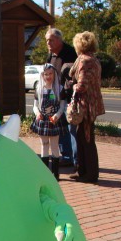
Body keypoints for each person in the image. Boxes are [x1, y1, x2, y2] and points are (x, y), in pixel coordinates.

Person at [69, 31, 105, 183]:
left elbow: (82, 85)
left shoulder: (84, 60)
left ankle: (90, 174)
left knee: (86, 139)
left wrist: (73, 86)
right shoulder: (94, 60)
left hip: (85, 105)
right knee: (83, 137)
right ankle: (83, 171)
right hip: (92, 102)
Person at [45, 27, 78, 167]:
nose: (48, 43)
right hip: (54, 97)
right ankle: (65, 156)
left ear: (59, 40)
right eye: (47, 40)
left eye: (51, 40)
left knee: (71, 128)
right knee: (59, 127)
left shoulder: (71, 53)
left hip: (69, 97)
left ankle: (74, 160)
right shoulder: (50, 55)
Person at [30, 63, 68, 181]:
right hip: (43, 120)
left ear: (54, 74)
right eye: (46, 74)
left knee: (54, 146)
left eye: (50, 74)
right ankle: (46, 174)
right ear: (42, 75)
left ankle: (56, 174)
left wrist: (57, 115)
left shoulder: (59, 89)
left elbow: (63, 106)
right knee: (44, 145)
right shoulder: (39, 89)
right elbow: (35, 106)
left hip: (54, 120)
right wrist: (37, 114)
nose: (48, 76)